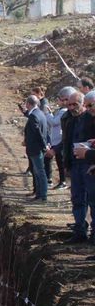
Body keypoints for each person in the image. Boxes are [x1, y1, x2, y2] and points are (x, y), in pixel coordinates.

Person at [62, 91, 95, 243]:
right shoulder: (69, 119)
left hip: (89, 164)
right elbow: (66, 142)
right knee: (77, 197)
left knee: (92, 199)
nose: (72, 107)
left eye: (75, 104)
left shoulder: (90, 118)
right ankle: (80, 230)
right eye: (69, 104)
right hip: (75, 164)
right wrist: (66, 163)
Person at [44, 86, 73, 190]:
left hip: (59, 140)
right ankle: (61, 181)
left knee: (61, 163)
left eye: (60, 99)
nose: (58, 101)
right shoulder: (61, 111)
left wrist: (47, 114)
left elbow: (54, 122)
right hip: (56, 140)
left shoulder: (63, 111)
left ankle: (63, 181)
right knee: (58, 162)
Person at [22, 95, 49, 203]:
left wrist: (44, 146)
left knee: (39, 172)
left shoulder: (33, 116)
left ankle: (43, 196)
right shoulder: (40, 113)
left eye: (26, 103)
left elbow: (37, 133)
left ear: (28, 104)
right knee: (38, 171)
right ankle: (39, 194)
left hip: (35, 149)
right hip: (37, 148)